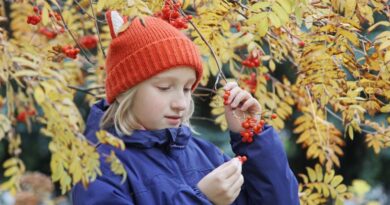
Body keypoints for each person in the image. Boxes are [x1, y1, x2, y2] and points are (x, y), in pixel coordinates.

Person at [71, 10, 299, 205]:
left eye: (187, 89)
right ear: (125, 91)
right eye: (164, 87)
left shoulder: (202, 153)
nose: (180, 103)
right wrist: (200, 198)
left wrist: (251, 137)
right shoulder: (99, 167)